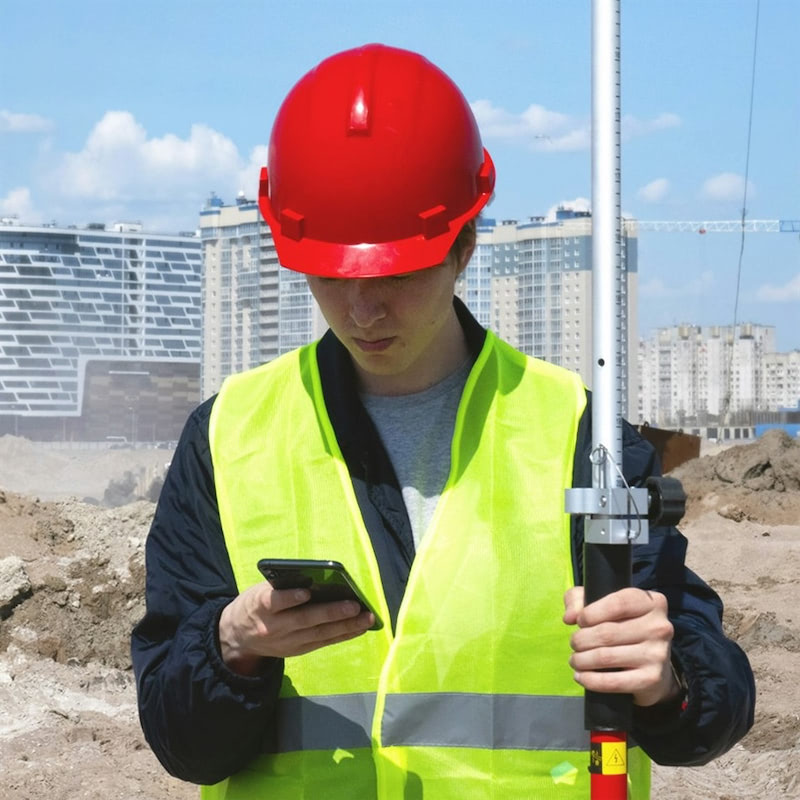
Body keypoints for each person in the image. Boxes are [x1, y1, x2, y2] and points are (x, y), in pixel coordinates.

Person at [131, 43, 755, 799]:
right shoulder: (228, 436)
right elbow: (179, 741)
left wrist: (667, 679)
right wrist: (229, 648)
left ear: (463, 245)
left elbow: (709, 703)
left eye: (395, 273)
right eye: (333, 274)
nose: (363, 310)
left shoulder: (577, 434)